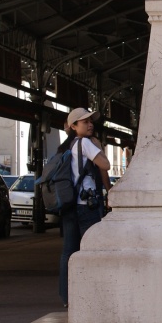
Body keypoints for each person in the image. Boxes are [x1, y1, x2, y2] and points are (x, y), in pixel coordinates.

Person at [58, 107, 111, 308]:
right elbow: (104, 165)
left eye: (91, 121)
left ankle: (67, 297)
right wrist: (98, 147)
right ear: (73, 126)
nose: (90, 125)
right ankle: (92, 293)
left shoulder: (68, 145)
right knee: (92, 249)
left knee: (68, 252)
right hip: (86, 206)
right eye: (84, 122)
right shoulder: (86, 143)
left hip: (71, 205)